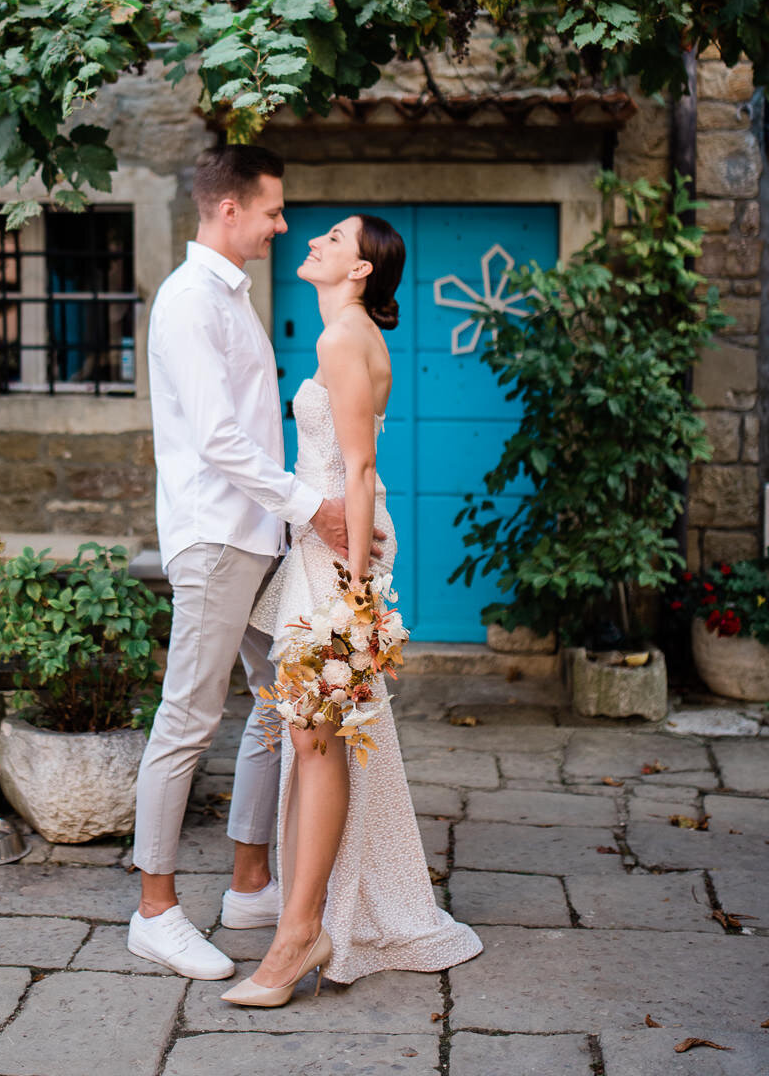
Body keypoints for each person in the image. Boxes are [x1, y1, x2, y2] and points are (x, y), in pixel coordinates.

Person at [220, 213, 483, 1006]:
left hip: (343, 550)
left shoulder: (344, 340)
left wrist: (360, 592)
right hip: (327, 543)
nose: (312, 242)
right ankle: (314, 919)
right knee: (313, 736)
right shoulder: (348, 334)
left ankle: (300, 933)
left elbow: (361, 470)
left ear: (362, 267)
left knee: (313, 735)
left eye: (333, 238)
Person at [128, 144, 372, 981]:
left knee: (279, 709)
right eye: (272, 210)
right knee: (188, 719)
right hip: (216, 539)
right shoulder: (190, 301)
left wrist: (310, 523)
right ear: (229, 210)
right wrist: (319, 511)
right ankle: (154, 911)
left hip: (260, 538)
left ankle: (250, 883)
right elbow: (220, 439)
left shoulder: (234, 297)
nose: (282, 225)